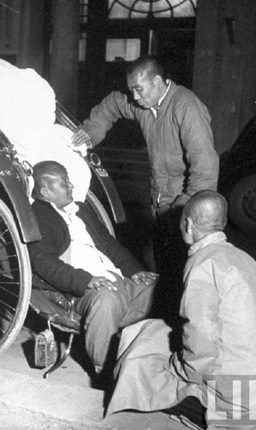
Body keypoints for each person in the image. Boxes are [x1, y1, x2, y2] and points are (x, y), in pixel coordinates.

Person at [106, 191, 256, 429]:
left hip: (235, 393)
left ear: (188, 225)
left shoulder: (202, 263)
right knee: (156, 331)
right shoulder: (243, 257)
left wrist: (177, 369)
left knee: (141, 349)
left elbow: (201, 339)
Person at [72, 56, 219, 314]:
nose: (135, 97)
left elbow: (205, 167)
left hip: (185, 207)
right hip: (159, 202)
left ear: (159, 81)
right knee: (161, 270)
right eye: (132, 90)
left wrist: (185, 209)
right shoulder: (144, 105)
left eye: (139, 89)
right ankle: (164, 320)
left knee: (188, 276)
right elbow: (113, 104)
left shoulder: (186, 107)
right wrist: (92, 131)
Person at [28, 160, 158, 379]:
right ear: (45, 191)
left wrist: (134, 270)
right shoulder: (38, 217)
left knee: (159, 287)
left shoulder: (82, 210)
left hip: (114, 278)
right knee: (105, 302)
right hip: (81, 289)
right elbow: (43, 262)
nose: (71, 186)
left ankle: (151, 356)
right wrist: (85, 280)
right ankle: (105, 372)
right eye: (64, 183)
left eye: (68, 181)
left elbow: (108, 244)